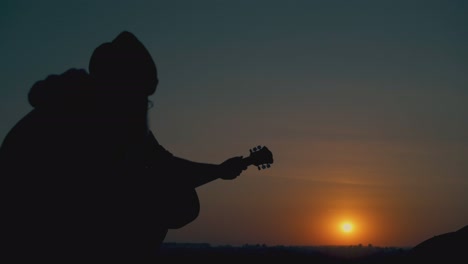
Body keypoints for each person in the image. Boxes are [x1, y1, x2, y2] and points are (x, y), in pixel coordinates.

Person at [0, 31, 270, 260]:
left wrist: (220, 170)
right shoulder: (91, 114)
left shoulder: (91, 105)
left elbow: (161, 163)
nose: (144, 107)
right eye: (142, 96)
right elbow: (157, 171)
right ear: (126, 84)